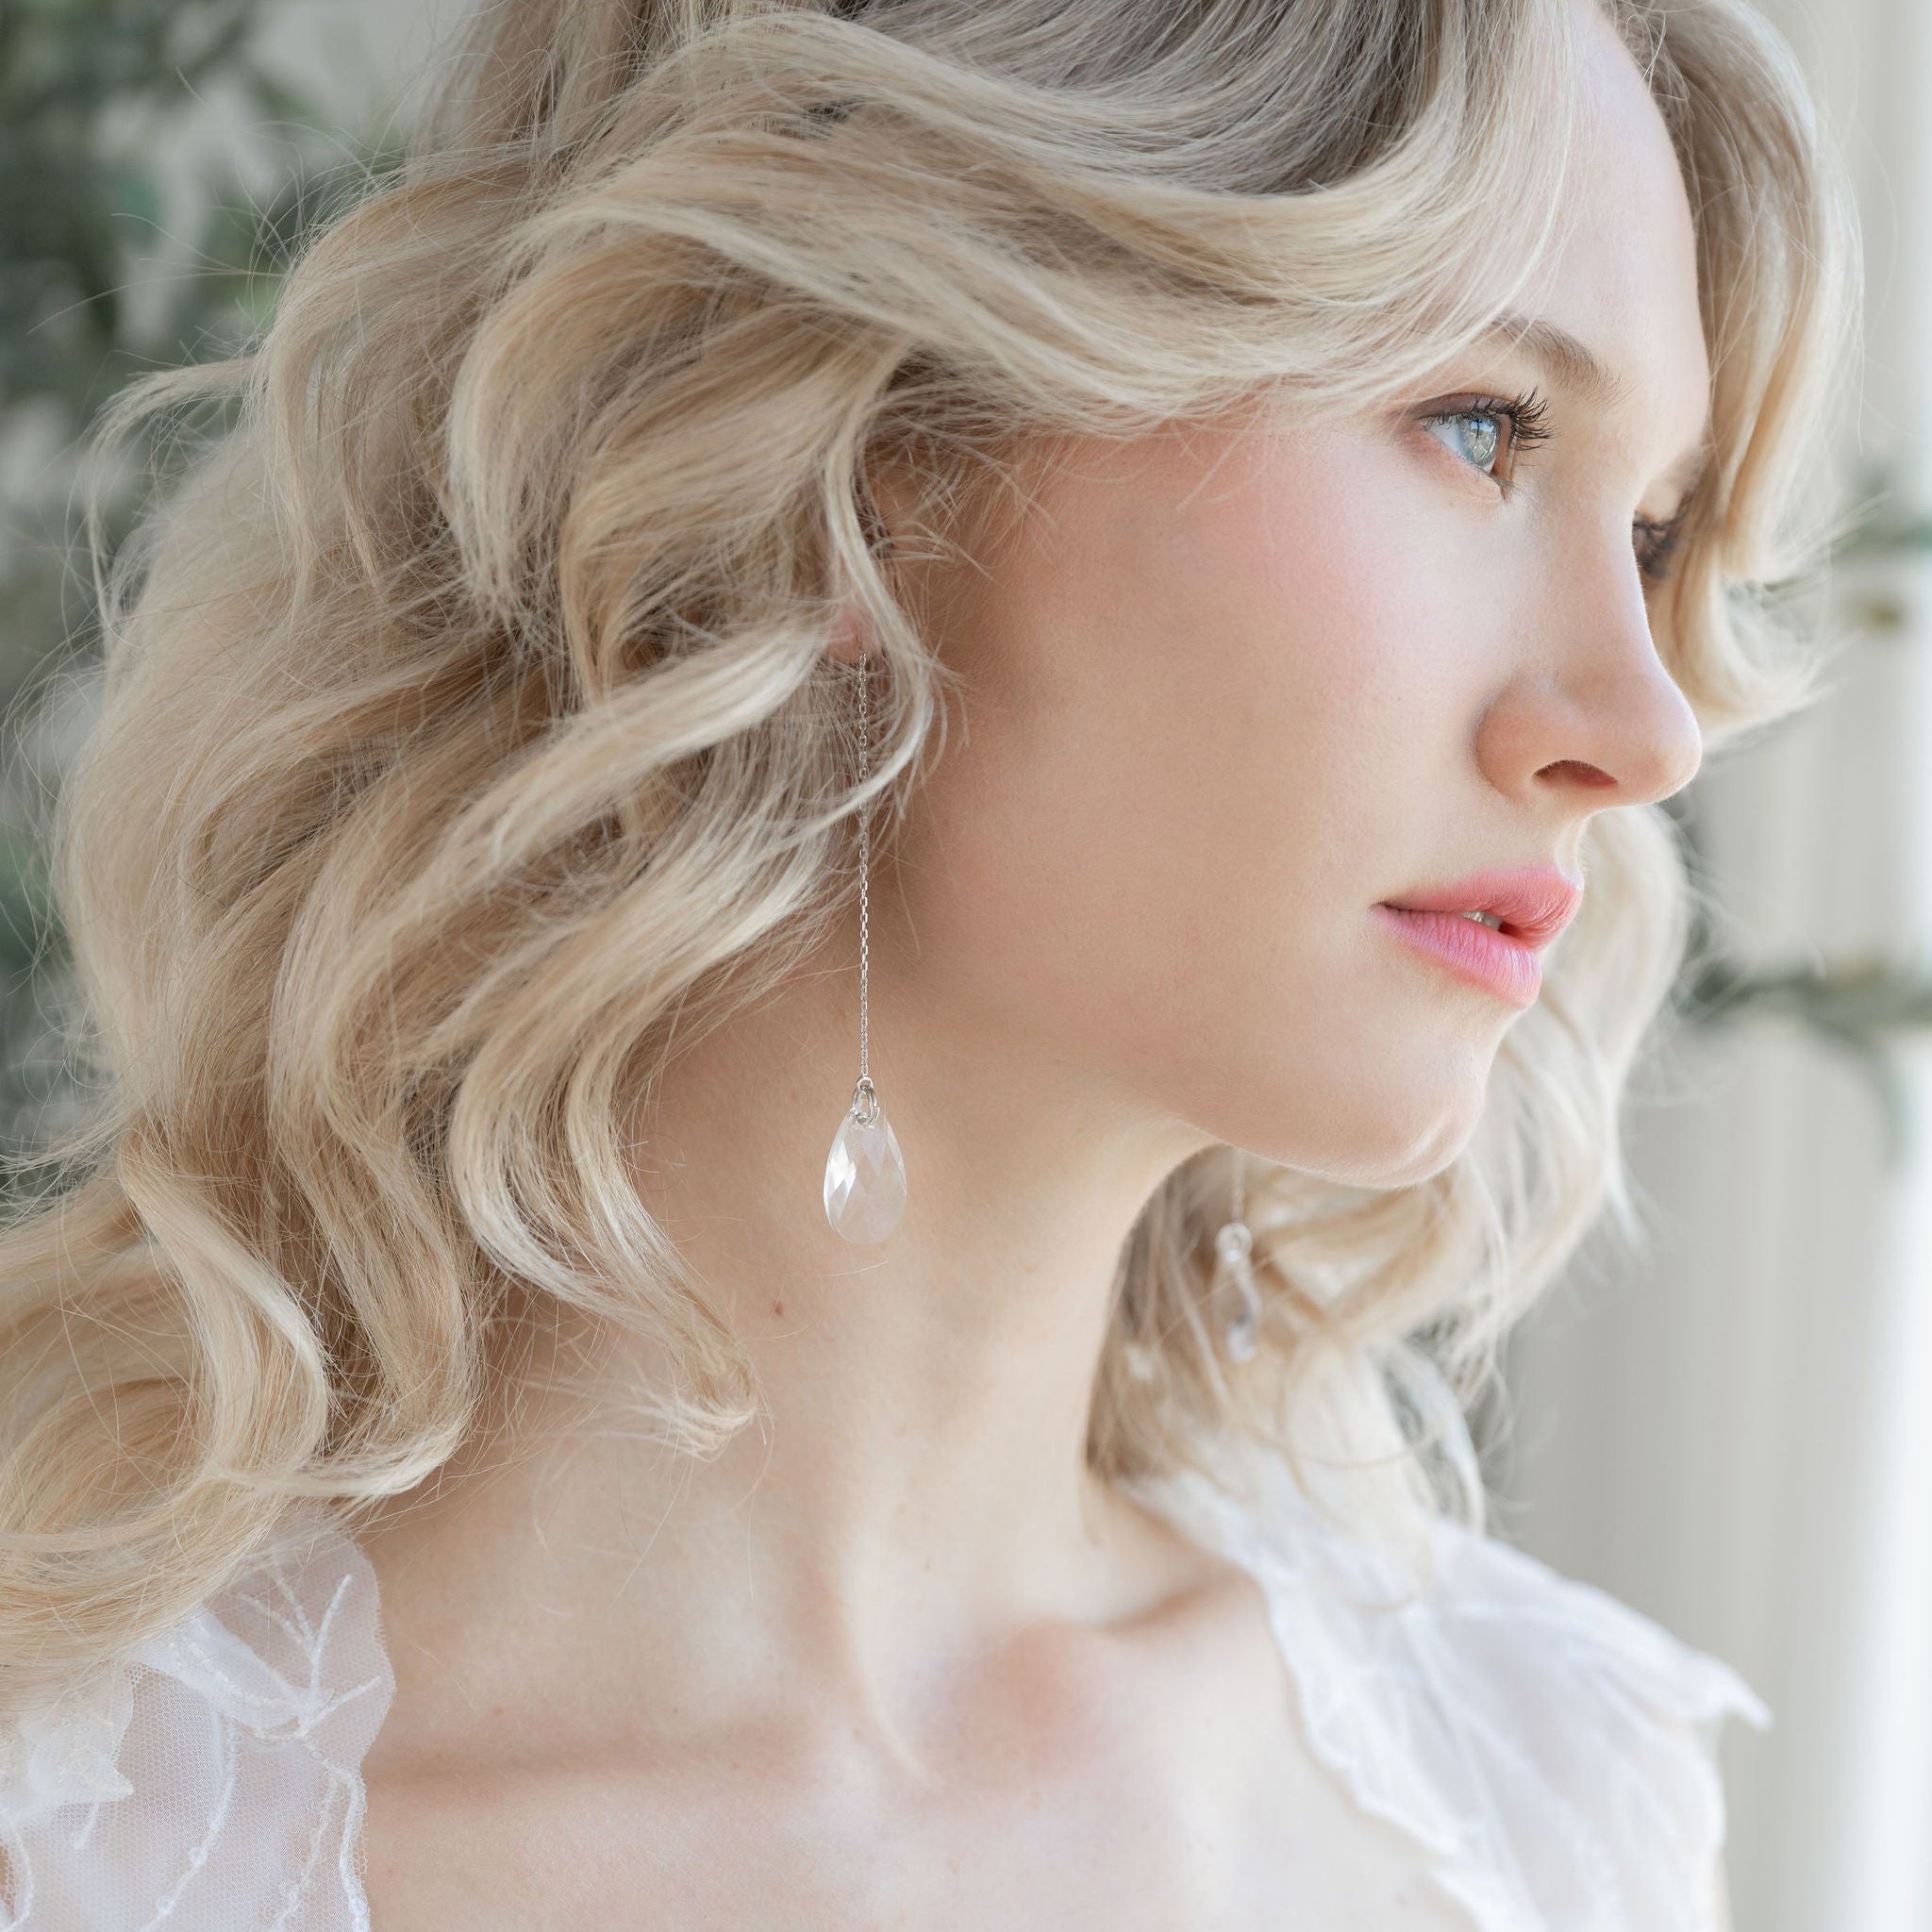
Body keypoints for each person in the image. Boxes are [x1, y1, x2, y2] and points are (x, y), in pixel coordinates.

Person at [0, 0, 1857, 1924]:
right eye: (1479, 427)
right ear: (881, 445)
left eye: (1646, 534)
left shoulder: (1547, 1799)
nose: (1643, 728)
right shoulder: (84, 1839)